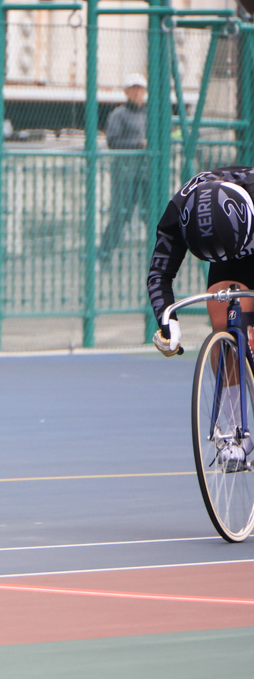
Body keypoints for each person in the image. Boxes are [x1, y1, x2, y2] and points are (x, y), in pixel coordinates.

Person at [147, 168, 254, 462]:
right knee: (223, 322)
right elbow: (159, 275)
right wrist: (169, 326)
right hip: (229, 250)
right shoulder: (178, 213)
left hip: (241, 238)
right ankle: (234, 432)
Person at [99, 73, 151, 261]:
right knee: (121, 215)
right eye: (133, 89)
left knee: (152, 216)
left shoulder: (148, 114)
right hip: (125, 173)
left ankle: (160, 260)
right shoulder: (118, 114)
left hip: (146, 174)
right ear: (126, 92)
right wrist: (139, 144)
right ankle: (103, 255)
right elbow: (113, 141)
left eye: (140, 89)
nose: (137, 92)